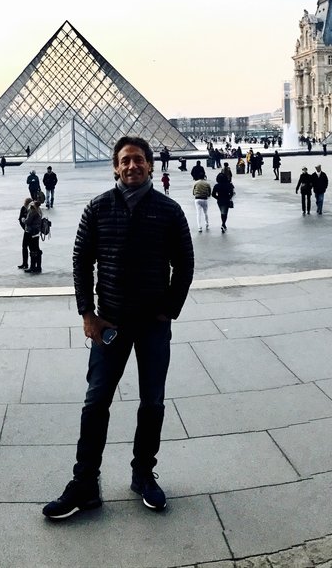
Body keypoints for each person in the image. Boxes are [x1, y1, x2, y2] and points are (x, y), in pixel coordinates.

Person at [44, 136, 192, 520]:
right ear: (115, 166)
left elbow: (186, 263)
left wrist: (170, 309)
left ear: (149, 164)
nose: (132, 166)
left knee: (153, 402)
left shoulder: (170, 210)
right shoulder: (97, 208)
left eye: (138, 160)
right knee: (95, 403)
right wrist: (86, 314)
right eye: (125, 160)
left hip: (153, 325)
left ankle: (143, 474)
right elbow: (80, 262)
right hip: (109, 322)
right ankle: (85, 483)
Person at [18, 196, 49, 273]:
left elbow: (28, 221)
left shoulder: (32, 210)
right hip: (36, 232)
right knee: (36, 249)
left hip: (31, 232)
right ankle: (38, 267)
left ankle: (32, 267)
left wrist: (23, 219)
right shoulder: (39, 210)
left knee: (32, 250)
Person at [212, 167, 234, 233]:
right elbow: (232, 193)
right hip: (226, 199)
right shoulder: (229, 185)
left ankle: (223, 224)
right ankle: (223, 224)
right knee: (225, 213)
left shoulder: (216, 186)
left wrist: (217, 198)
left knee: (222, 211)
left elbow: (213, 194)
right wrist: (229, 197)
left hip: (220, 200)